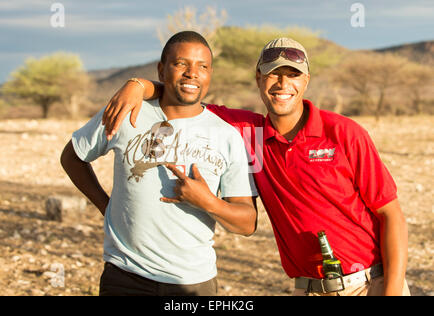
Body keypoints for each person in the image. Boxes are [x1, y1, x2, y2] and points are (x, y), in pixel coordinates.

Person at [102, 36, 411, 296]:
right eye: (273, 74)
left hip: (371, 284)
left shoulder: (343, 133)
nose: (282, 83)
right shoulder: (250, 133)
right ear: (259, 79)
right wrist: (139, 85)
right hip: (308, 288)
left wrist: (392, 290)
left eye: (292, 75)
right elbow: (185, 95)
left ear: (306, 81)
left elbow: (390, 213)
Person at [60, 31, 257, 296]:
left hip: (192, 283)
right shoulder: (127, 110)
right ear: (161, 70)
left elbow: (247, 223)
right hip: (125, 274)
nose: (192, 73)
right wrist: (105, 207)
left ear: (210, 74)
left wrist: (208, 202)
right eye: (181, 64)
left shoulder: (227, 136)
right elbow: (73, 156)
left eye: (203, 66)